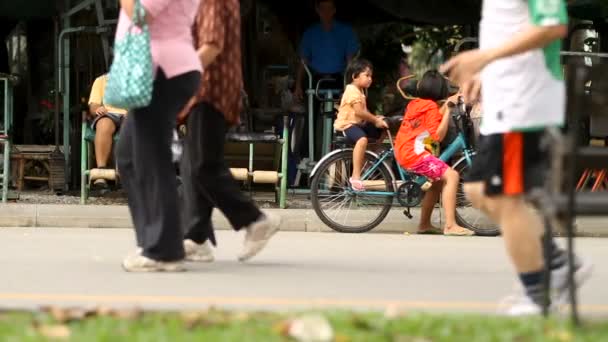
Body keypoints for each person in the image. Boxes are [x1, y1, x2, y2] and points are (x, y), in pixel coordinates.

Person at [441, 0, 592, 314]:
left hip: (522, 105)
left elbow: (552, 26)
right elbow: (511, 30)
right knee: (480, 191)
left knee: (499, 194)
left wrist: (484, 57)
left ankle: (538, 293)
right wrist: (487, 73)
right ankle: (556, 264)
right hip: (507, 102)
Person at [177, 0, 280, 264]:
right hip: (207, 91)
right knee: (192, 166)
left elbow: (211, 45)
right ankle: (196, 238)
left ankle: (255, 219)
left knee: (202, 165)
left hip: (210, 92)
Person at [115, 0, 202, 272]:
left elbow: (140, 15)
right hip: (160, 69)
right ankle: (154, 241)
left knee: (151, 159)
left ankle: (164, 251)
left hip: (163, 70)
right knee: (129, 156)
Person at [394, 70, 475, 236]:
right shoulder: (430, 107)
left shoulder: (416, 104)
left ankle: (424, 224)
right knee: (452, 176)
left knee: (438, 182)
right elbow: (437, 136)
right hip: (414, 155)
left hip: (404, 152)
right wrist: (449, 110)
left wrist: (447, 105)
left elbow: (433, 119)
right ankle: (450, 225)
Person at [334, 59, 388, 190]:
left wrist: (376, 118)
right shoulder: (352, 90)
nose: (370, 79)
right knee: (362, 139)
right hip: (346, 125)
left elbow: (365, 111)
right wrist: (375, 120)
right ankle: (356, 176)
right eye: (367, 75)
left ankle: (369, 157)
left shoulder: (361, 91)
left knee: (384, 129)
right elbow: (359, 111)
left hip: (358, 124)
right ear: (354, 76)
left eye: (371, 76)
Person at [294, 0, 359, 100]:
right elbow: (303, 61)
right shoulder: (310, 33)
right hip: (314, 78)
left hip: (339, 77)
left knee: (347, 108)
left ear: (334, 10)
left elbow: (350, 61)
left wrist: (351, 84)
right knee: (310, 108)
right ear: (318, 10)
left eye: (329, 9)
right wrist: (298, 86)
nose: (326, 12)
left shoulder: (346, 31)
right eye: (323, 9)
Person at [87, 73, 128, 191]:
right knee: (103, 125)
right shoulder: (101, 80)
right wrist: (97, 109)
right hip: (108, 113)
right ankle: (101, 172)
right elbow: (93, 105)